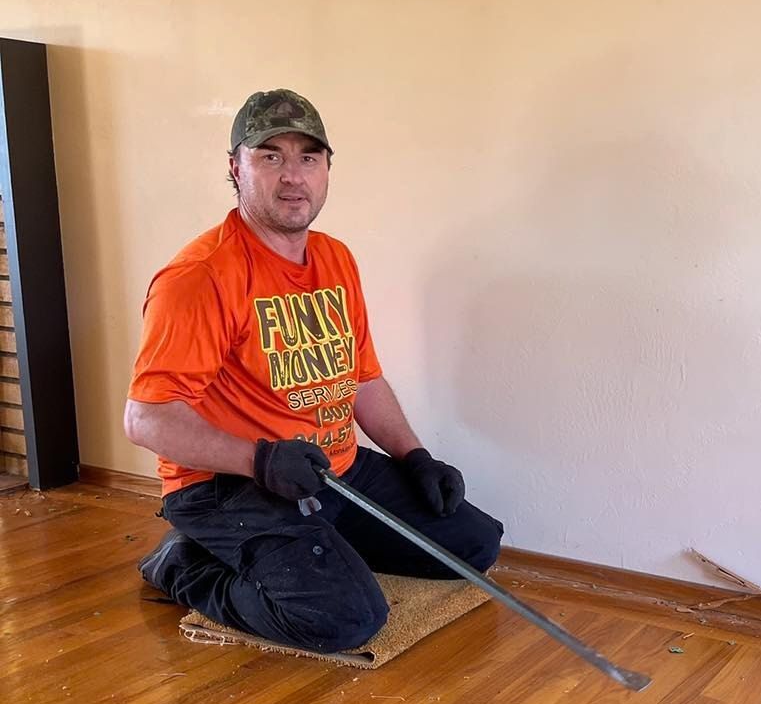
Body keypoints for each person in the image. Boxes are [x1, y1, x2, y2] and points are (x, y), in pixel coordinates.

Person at [125, 88, 502, 653]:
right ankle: (185, 565)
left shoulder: (335, 258)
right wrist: (260, 458)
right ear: (235, 168)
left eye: (308, 157)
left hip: (330, 471)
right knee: (343, 618)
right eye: (270, 156)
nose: (292, 176)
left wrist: (414, 457)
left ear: (327, 169)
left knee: (473, 547)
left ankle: (312, 546)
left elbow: (364, 379)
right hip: (231, 485)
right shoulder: (200, 276)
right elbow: (148, 420)